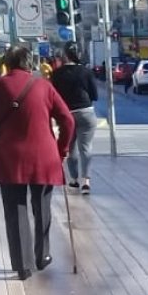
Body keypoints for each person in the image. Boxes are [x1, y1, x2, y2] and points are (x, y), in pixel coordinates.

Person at [0, 45, 74, 280]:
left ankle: (23, 265)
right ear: (30, 63)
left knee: (15, 210)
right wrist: (62, 149)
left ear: (7, 63)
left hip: (9, 158)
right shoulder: (44, 85)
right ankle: (43, 255)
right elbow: (67, 120)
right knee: (42, 208)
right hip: (44, 157)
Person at [51, 41, 99, 194]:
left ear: (65, 55)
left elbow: (53, 96)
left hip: (66, 114)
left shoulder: (57, 74)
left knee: (70, 148)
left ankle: (74, 180)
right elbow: (95, 95)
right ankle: (86, 181)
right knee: (86, 148)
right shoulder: (86, 72)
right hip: (86, 112)